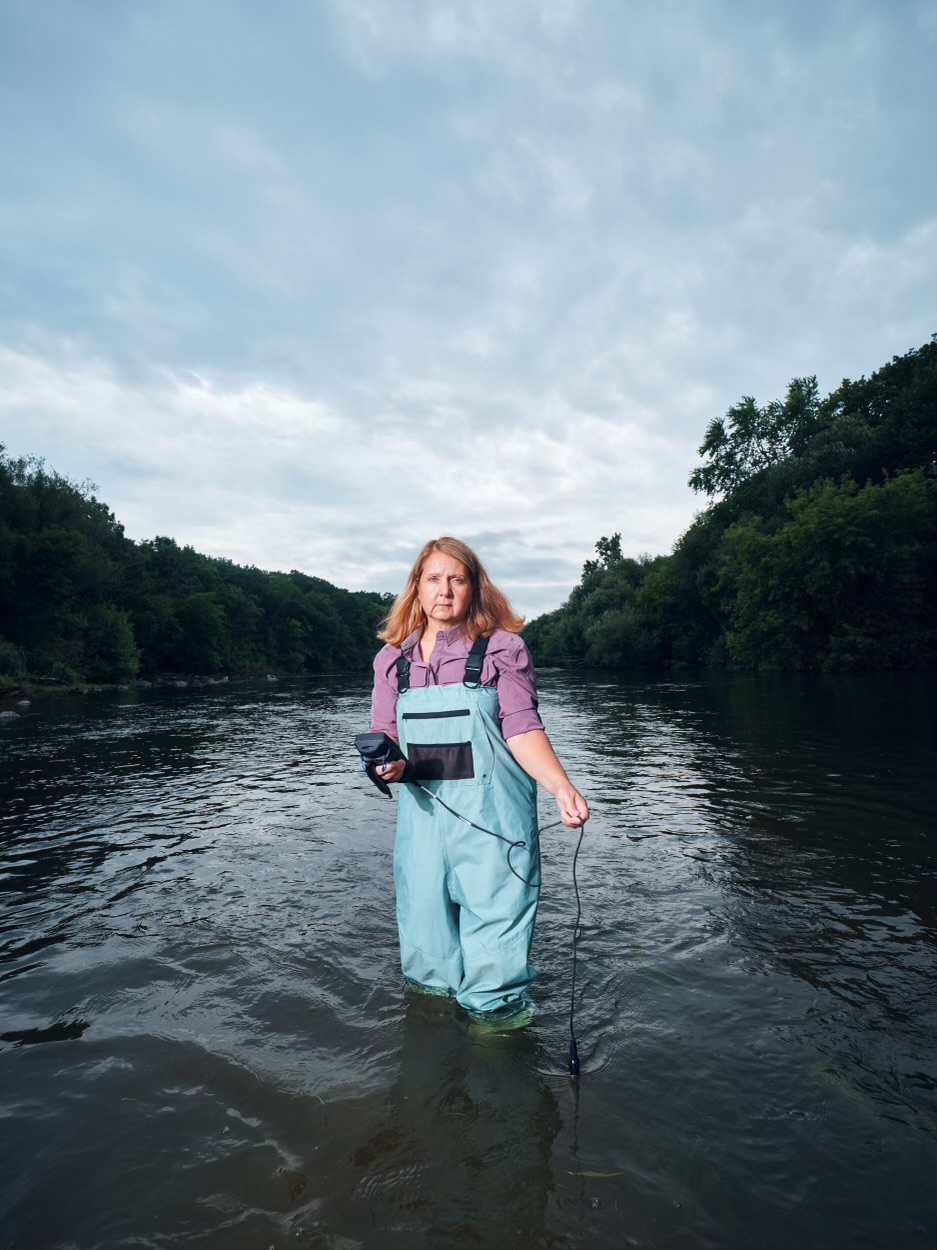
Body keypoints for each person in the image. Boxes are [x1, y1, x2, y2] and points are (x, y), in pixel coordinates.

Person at [368, 536, 589, 1023]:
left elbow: (523, 726)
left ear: (473, 589)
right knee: (427, 968)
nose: (444, 590)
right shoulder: (391, 661)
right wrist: (387, 764)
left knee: (496, 975)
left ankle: (500, 1057)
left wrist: (559, 785)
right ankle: (435, 1043)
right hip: (422, 830)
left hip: (496, 829)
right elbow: (384, 736)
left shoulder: (503, 650)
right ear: (417, 588)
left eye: (456, 579)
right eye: (433, 579)